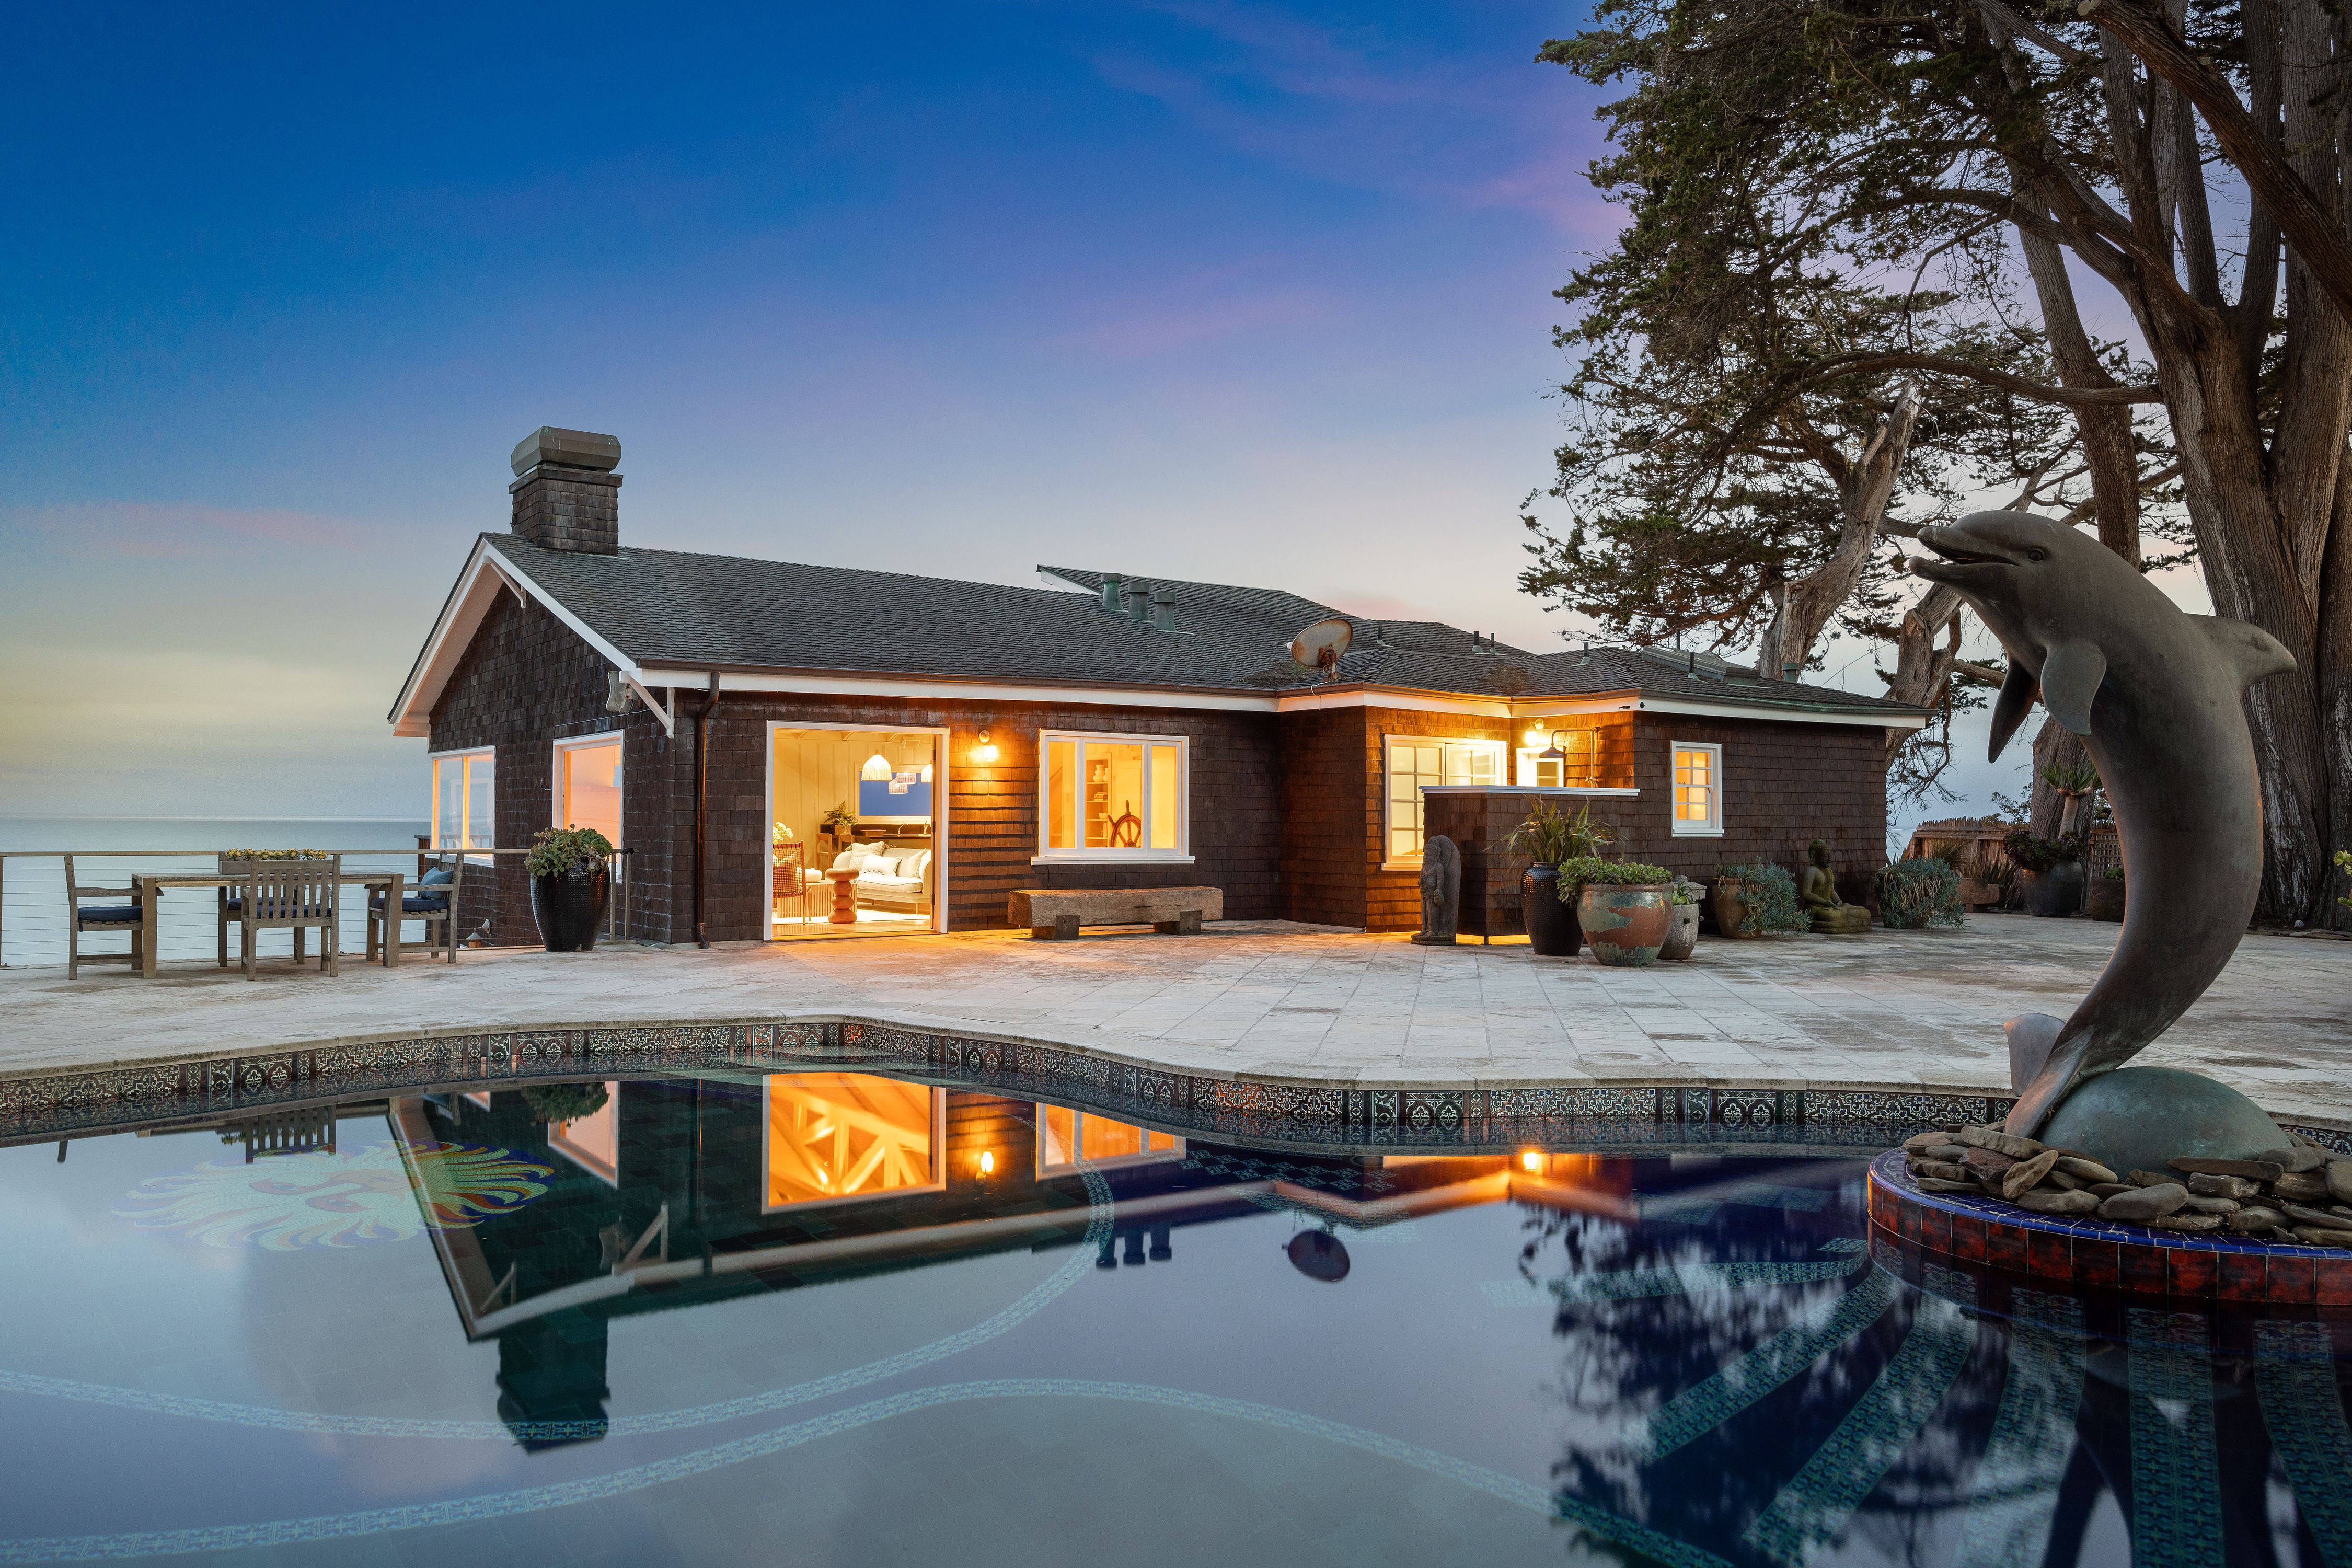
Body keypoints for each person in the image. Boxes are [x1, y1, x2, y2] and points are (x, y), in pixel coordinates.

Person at [1799, 838, 1872, 933]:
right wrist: (1826, 902)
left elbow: (1832, 891)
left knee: (1866, 914)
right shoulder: (1811, 871)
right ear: (1814, 855)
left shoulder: (1829, 871)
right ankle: (1846, 908)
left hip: (1831, 907)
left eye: (1830, 856)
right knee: (1831, 916)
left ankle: (1845, 908)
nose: (1830, 859)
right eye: (1826, 856)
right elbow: (1806, 894)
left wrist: (1838, 900)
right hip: (1815, 909)